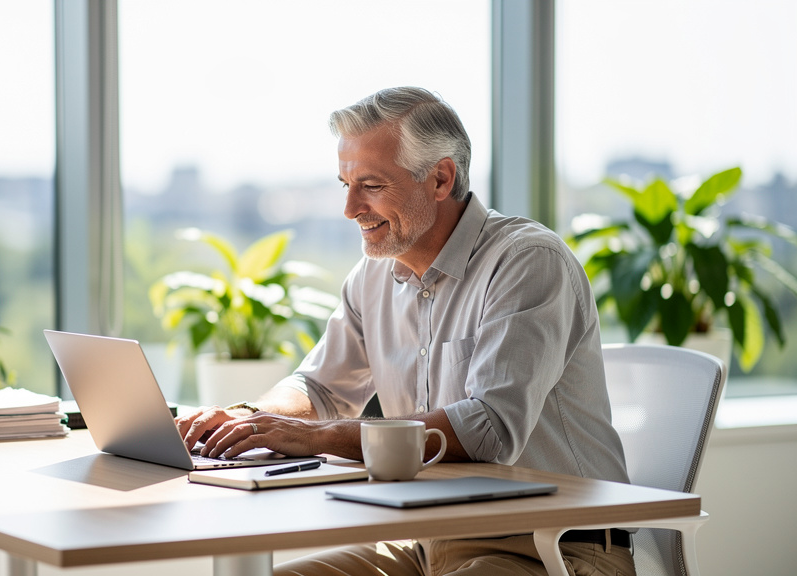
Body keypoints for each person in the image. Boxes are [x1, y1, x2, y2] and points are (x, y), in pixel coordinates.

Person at [176, 87, 635, 576]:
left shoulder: (527, 262)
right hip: (423, 543)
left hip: (553, 547)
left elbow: (488, 429)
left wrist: (316, 437)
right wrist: (243, 419)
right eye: (345, 184)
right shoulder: (373, 275)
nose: (350, 208)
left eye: (371, 185)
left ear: (440, 178)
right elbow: (319, 387)